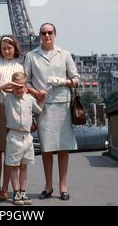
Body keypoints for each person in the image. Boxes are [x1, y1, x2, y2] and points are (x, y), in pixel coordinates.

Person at [24, 22, 79, 201]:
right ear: (39, 35)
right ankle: (48, 185)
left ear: (55, 34)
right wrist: (36, 93)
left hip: (63, 105)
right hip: (43, 106)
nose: (47, 35)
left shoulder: (65, 54)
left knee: (63, 147)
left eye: (50, 32)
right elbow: (26, 82)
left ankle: (63, 185)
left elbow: (76, 79)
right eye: (43, 33)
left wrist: (62, 82)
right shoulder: (31, 56)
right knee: (47, 148)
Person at [0, 72, 44, 205]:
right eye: (16, 87)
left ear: (26, 87)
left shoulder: (29, 99)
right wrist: (10, 84)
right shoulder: (7, 98)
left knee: (24, 166)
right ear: (12, 87)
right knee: (13, 166)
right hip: (14, 135)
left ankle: (23, 191)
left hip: (27, 136)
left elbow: (39, 110)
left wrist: (42, 98)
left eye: (21, 86)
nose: (18, 89)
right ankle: (16, 192)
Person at [0, 35, 24, 201]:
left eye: (9, 47)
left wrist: (3, 85)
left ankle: (4, 188)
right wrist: (10, 85)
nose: (6, 50)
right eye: (3, 48)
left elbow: (19, 89)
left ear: (15, 48)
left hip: (13, 110)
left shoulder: (20, 66)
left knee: (10, 152)